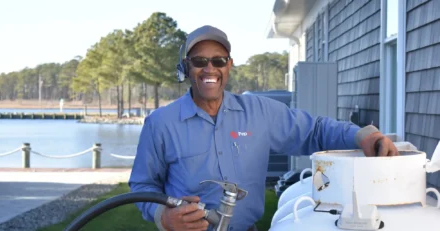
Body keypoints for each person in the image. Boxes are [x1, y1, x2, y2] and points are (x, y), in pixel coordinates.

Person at [128, 25, 399, 231]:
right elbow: (143, 185)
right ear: (186, 67)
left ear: (229, 65)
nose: (209, 68)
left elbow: (314, 131)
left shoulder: (259, 112)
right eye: (199, 61)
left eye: (219, 60)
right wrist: (163, 217)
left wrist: (363, 135)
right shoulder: (161, 123)